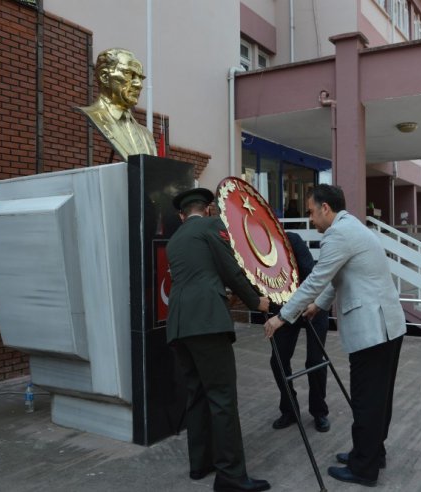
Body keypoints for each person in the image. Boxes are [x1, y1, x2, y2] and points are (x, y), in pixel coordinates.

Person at [263, 184, 406, 488]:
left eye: (312, 212)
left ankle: (363, 468)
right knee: (378, 398)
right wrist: (318, 306)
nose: (312, 219)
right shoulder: (352, 228)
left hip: (373, 330)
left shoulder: (338, 235)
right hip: (387, 326)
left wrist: (282, 317)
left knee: (367, 399)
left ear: (326, 208)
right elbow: (336, 278)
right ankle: (370, 453)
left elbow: (316, 279)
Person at [166, 188, 271, 492]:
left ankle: (200, 465)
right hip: (207, 323)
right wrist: (256, 301)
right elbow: (231, 270)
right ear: (208, 211)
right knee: (222, 398)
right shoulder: (213, 227)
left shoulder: (175, 240)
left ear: (181, 216)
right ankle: (231, 476)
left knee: (196, 395)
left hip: (179, 325)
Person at [268, 232, 330, 433]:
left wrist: (310, 304)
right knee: (278, 359)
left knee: (314, 361)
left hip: (312, 303)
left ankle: (319, 411)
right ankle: (290, 409)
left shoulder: (291, 240)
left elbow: (312, 276)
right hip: (286, 308)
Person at [77, 48, 157, 161]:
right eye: (129, 74)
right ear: (104, 77)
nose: (139, 84)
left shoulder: (146, 136)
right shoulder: (91, 116)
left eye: (140, 78)